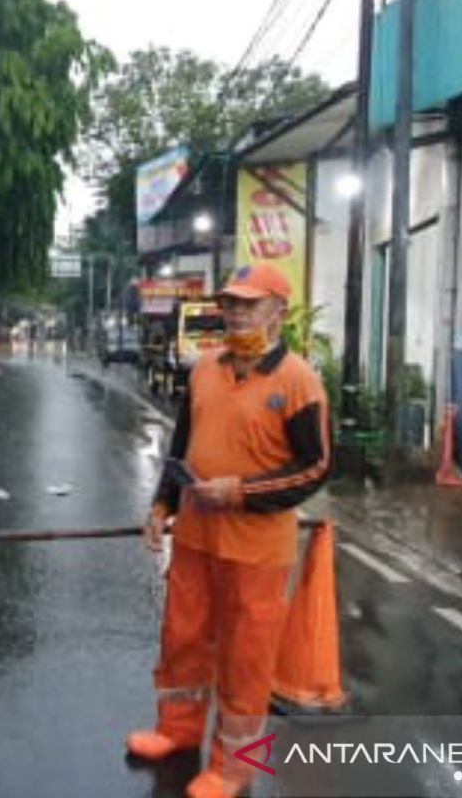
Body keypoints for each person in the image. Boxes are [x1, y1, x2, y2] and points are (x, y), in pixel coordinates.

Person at [126, 264, 332, 798]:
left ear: (278, 312)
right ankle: (176, 732)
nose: (236, 313)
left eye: (248, 303)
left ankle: (235, 766)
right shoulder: (205, 370)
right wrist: (162, 505)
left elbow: (315, 467)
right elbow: (182, 448)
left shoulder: (299, 382)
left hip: (257, 550)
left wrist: (241, 491)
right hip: (195, 539)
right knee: (183, 641)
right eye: (231, 303)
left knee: (246, 659)